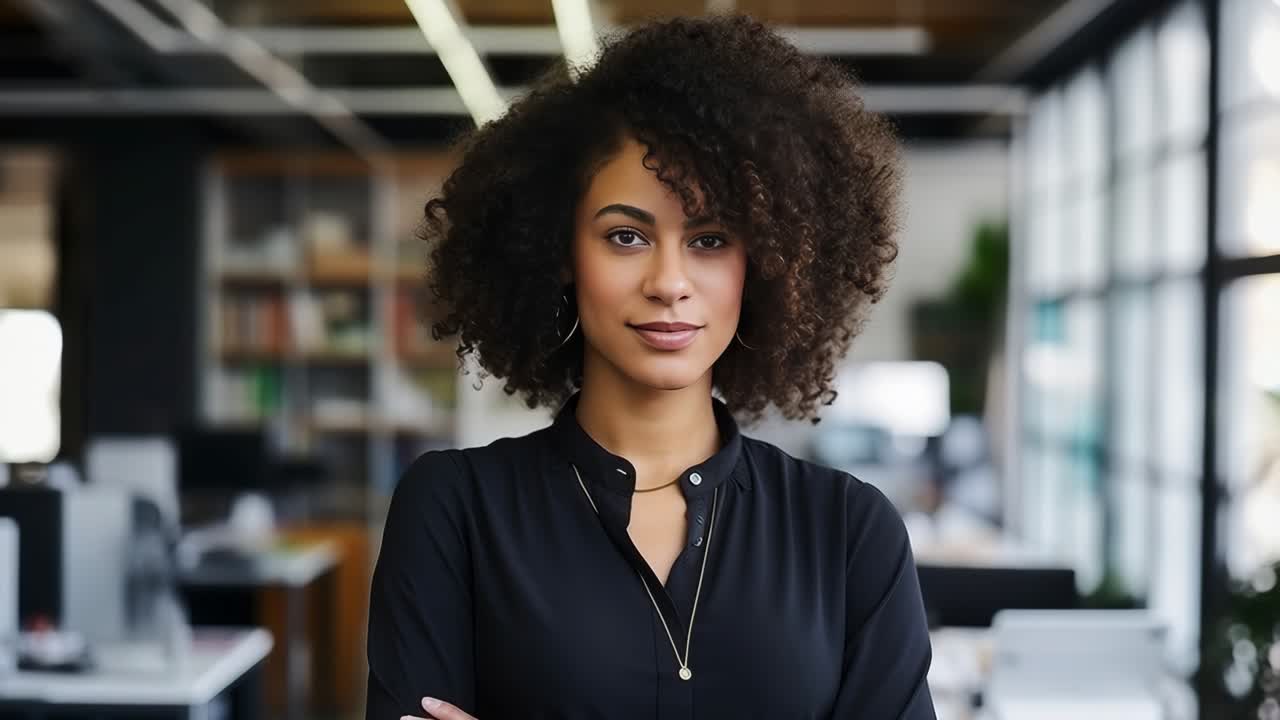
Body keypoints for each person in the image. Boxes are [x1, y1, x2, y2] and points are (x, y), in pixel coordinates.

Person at [367, 13, 935, 720]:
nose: (669, 281)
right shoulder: (454, 512)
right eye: (626, 235)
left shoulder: (849, 532)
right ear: (557, 255)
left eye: (710, 239)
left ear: (763, 266)